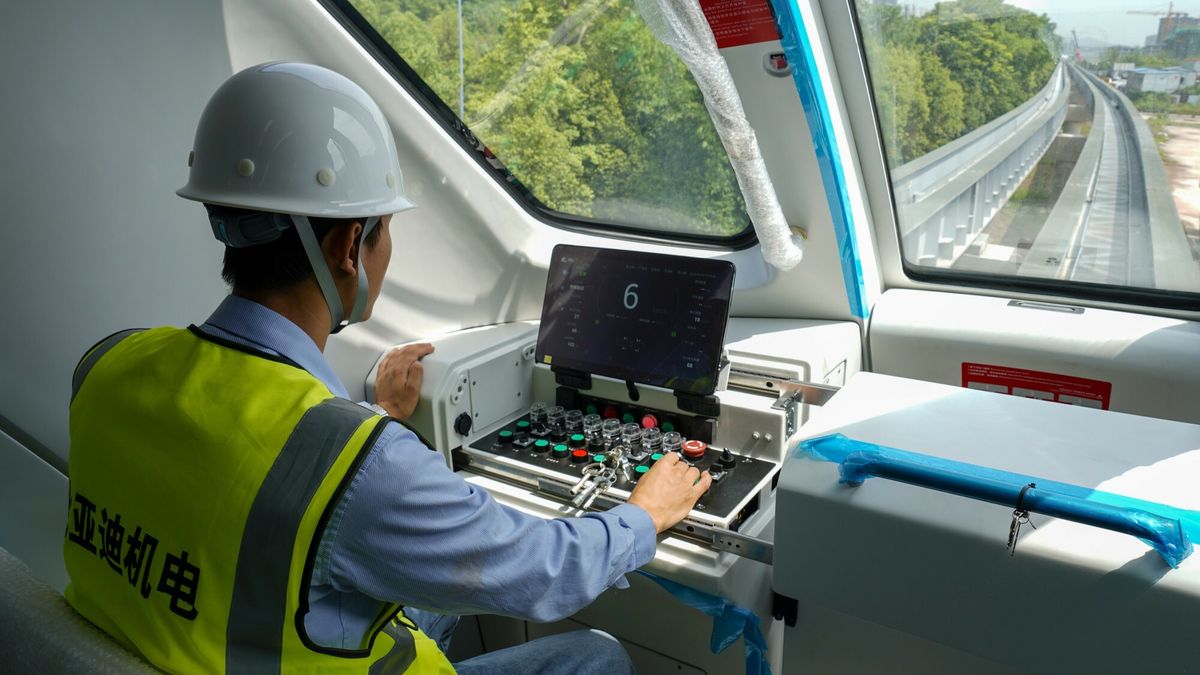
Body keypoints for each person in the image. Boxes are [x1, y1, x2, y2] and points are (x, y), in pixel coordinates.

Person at [63, 62, 712, 674]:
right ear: (349, 247)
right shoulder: (365, 466)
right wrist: (645, 514)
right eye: (386, 227)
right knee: (596, 655)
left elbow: (239, 489)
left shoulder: (108, 364)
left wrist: (378, 419)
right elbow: (543, 571)